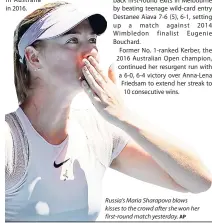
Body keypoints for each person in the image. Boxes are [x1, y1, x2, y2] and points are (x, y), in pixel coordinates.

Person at [5, 1, 212, 221]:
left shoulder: (97, 132)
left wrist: (124, 116)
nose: (91, 52)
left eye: (92, 40)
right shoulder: (9, 140)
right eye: (72, 40)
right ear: (34, 58)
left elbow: (198, 182)